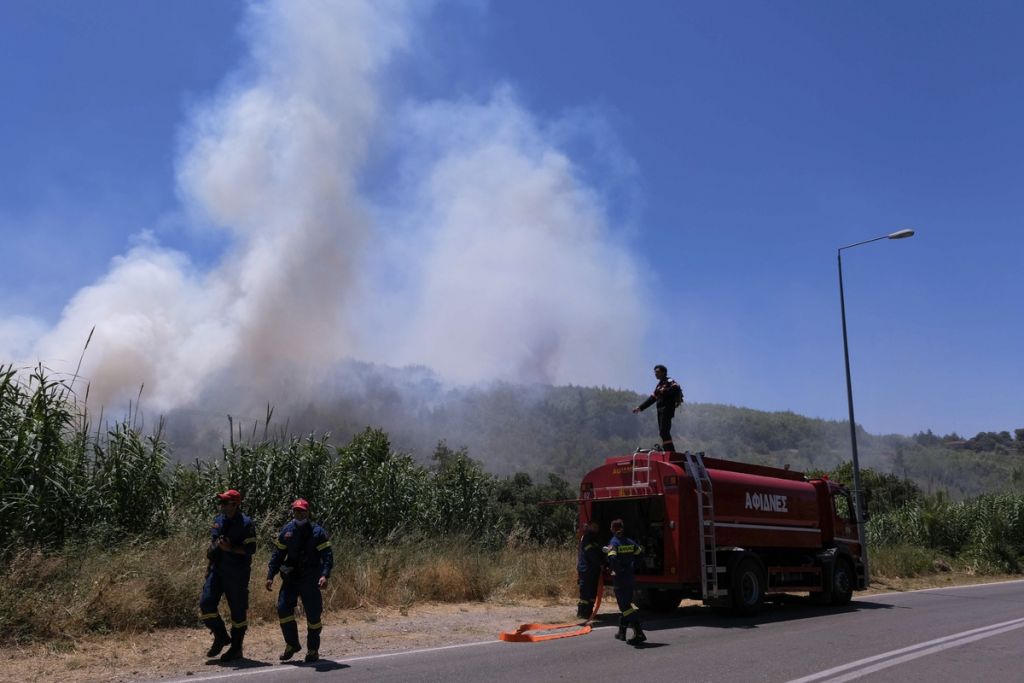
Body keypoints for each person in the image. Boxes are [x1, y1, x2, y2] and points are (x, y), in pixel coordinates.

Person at [266, 498, 334, 663]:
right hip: (291, 578)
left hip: (310, 579)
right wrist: (270, 575)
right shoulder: (287, 531)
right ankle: (292, 645)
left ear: (307, 512)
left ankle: (312, 650)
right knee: (283, 609)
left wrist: (324, 575)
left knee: (313, 615)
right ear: (293, 511)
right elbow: (278, 555)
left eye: (302, 510)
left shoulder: (318, 532)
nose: (299, 513)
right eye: (296, 510)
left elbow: (327, 556)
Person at [199, 489, 257, 661]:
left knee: (238, 613)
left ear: (235, 504)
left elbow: (251, 549)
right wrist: (209, 568)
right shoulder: (218, 520)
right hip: (217, 571)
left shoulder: (246, 523)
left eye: (225, 502)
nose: (222, 505)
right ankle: (221, 636)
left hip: (236, 574)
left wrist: (230, 548)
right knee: (206, 604)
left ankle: (236, 648)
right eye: (221, 502)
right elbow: (214, 547)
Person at [603, 518, 646, 644]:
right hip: (629, 577)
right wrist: (634, 566)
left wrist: (617, 570)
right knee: (626, 603)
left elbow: (613, 558)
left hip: (620, 579)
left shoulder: (614, 542)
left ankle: (639, 632)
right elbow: (640, 553)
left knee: (625, 606)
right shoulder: (629, 542)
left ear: (612, 529)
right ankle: (622, 633)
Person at [632, 364, 684, 452]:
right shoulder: (659, 385)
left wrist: (665, 391)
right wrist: (640, 408)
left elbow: (676, 388)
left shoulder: (669, 381)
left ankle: (671, 452)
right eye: (655, 372)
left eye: (657, 372)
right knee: (662, 433)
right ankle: (668, 451)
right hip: (660, 410)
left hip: (667, 409)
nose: (655, 374)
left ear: (663, 372)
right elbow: (652, 399)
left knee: (664, 431)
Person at [576, 520, 604, 619]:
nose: (597, 529)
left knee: (592, 592)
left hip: (594, 569)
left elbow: (598, 552)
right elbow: (591, 553)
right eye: (594, 527)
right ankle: (582, 613)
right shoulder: (587, 538)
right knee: (585, 592)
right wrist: (600, 563)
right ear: (589, 527)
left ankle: (589, 613)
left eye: (597, 527)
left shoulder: (595, 539)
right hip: (586, 569)